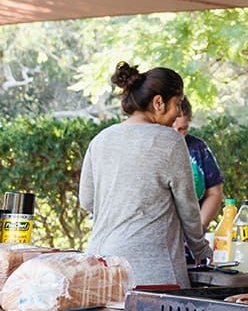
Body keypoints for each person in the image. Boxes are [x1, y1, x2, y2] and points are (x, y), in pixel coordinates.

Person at [80, 61, 211, 288]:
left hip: (101, 268)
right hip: (153, 272)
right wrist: (201, 250)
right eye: (177, 104)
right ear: (158, 102)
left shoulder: (101, 140)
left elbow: (87, 201)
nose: (179, 113)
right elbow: (188, 208)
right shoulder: (170, 141)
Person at [172, 96, 224, 229]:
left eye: (183, 129)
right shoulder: (152, 147)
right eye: (171, 128)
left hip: (191, 230)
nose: (177, 135)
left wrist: (198, 228)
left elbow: (214, 192)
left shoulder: (198, 148)